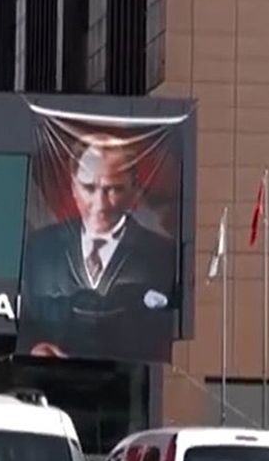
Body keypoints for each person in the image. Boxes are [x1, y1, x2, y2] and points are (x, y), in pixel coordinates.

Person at [20, 133, 178, 360]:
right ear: (73, 187)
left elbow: (163, 334)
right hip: (51, 375)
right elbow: (24, 321)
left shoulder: (161, 255)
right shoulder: (41, 248)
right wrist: (36, 349)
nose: (100, 204)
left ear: (134, 190)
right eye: (89, 188)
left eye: (113, 189)